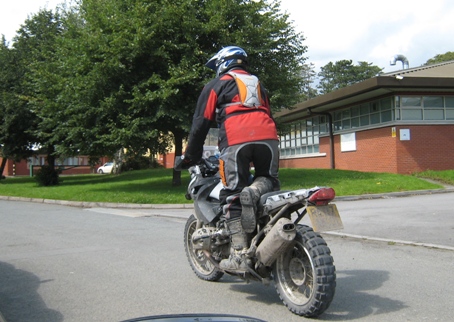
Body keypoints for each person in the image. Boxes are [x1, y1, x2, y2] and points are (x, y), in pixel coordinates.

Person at [183, 46, 280, 272]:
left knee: (233, 194)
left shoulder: (216, 85)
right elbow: (269, 114)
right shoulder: (259, 86)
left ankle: (239, 255)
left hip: (236, 141)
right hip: (269, 138)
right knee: (269, 180)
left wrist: (191, 157)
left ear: (223, 63)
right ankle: (255, 194)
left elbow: (200, 124)